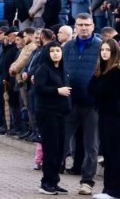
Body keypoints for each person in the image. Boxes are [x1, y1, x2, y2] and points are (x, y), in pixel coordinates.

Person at [62, 14, 102, 196]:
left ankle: (87, 182)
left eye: (87, 24)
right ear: (75, 27)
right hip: (69, 102)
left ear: (93, 26)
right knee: (61, 141)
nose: (84, 28)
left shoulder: (101, 46)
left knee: (91, 145)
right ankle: (51, 179)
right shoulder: (68, 46)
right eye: (80, 25)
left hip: (92, 104)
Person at [33, 42, 72, 195]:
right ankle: (46, 182)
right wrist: (57, 91)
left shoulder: (62, 69)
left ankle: (54, 181)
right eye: (52, 51)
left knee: (60, 148)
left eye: (58, 51)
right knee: (51, 148)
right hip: (47, 113)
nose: (56, 53)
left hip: (61, 113)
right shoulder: (43, 69)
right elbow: (39, 89)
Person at [88, 40, 120, 199]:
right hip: (104, 114)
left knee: (114, 153)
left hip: (115, 117)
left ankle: (115, 190)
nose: (104, 52)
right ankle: (108, 188)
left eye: (108, 50)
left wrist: (99, 90)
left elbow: (103, 90)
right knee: (107, 152)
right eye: (102, 49)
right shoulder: (101, 70)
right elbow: (91, 88)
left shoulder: (116, 72)